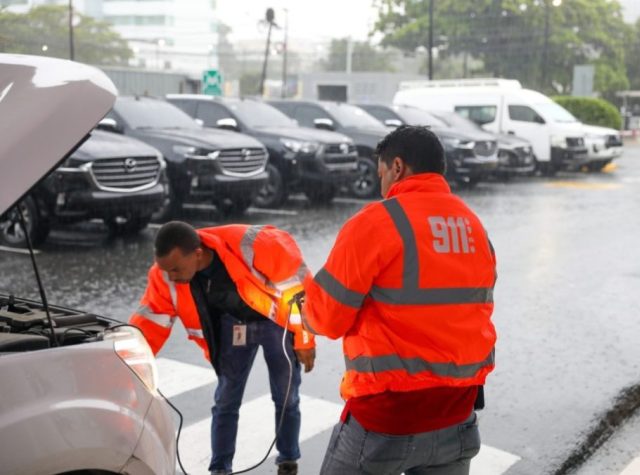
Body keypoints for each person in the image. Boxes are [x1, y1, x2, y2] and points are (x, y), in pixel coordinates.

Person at [301, 125, 497, 475]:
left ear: (397, 167)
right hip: (458, 416)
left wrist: (305, 309)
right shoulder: (473, 227)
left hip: (386, 420)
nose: (381, 186)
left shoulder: (377, 223)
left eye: (380, 175)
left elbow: (327, 320)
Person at [129, 221, 315, 475]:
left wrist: (305, 339)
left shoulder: (258, 246)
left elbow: (299, 292)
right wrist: (128, 362)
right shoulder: (165, 273)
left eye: (175, 269)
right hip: (233, 325)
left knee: (286, 398)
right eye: (166, 270)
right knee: (226, 400)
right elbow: (150, 321)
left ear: (197, 253)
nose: (171, 276)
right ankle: (219, 469)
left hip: (275, 322)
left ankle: (288, 460)